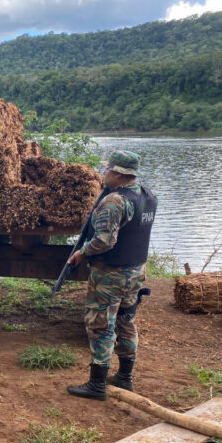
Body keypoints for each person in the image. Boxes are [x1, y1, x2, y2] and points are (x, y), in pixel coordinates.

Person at [66, 150, 157, 400]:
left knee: (100, 325)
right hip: (136, 273)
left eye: (107, 169)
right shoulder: (148, 196)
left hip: (111, 275)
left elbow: (105, 240)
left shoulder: (114, 201)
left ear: (118, 173)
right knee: (126, 322)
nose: (103, 173)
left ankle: (97, 385)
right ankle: (125, 378)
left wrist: (82, 253)